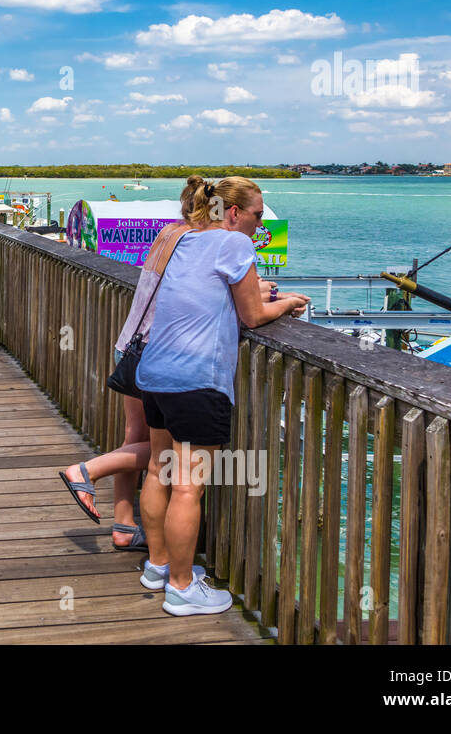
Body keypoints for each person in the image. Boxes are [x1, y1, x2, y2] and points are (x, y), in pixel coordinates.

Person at [59, 182, 308, 550]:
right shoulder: (198, 240)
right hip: (163, 349)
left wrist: (261, 290)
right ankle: (89, 472)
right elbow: (230, 305)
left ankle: (125, 525)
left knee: (139, 440)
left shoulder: (171, 235)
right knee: (170, 459)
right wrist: (275, 298)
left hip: (132, 344)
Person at [135, 176, 307, 617]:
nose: (259, 222)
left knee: (158, 470)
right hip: (197, 379)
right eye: (256, 214)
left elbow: (205, 298)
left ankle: (156, 567)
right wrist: (287, 304)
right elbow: (252, 315)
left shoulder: (185, 239)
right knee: (189, 489)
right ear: (234, 214)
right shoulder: (235, 245)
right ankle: (181, 587)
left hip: (154, 371)